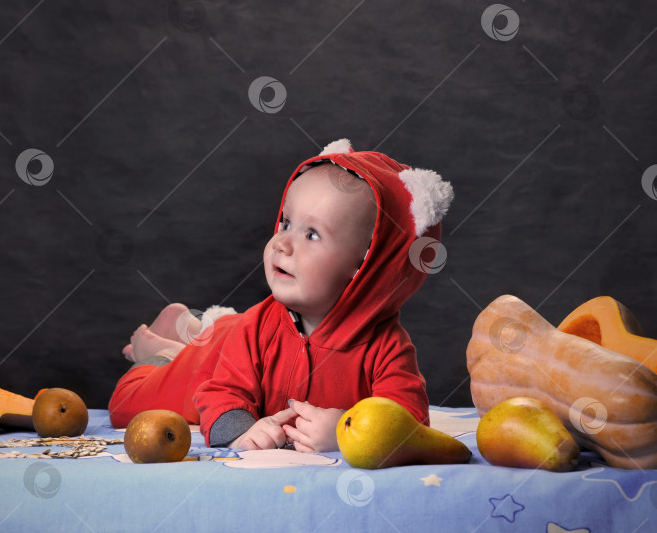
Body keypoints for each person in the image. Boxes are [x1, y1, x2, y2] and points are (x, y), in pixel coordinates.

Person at [109, 139, 453, 453]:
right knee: (127, 404)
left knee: (213, 340)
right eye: (286, 223)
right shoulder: (254, 330)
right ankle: (156, 353)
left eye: (312, 234)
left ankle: (185, 334)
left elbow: (411, 424)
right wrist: (244, 433)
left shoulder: (386, 347)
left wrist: (345, 431)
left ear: (367, 263)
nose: (281, 243)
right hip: (213, 359)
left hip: (229, 339)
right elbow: (219, 393)